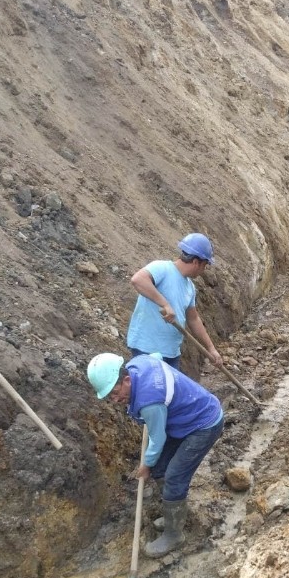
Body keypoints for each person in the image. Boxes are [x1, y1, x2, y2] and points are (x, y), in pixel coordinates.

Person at [87, 351, 224, 557]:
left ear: (126, 379)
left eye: (115, 393)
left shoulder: (149, 402)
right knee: (161, 467)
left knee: (174, 476)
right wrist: (153, 464)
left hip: (203, 424)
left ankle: (174, 535)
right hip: (182, 420)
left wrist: (146, 464)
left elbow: (157, 438)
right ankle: (173, 515)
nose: (115, 400)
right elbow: (157, 356)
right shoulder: (138, 364)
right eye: (109, 397)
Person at [126, 233, 223, 369]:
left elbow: (193, 319)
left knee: (170, 390)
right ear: (196, 262)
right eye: (204, 265)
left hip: (171, 353)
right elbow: (137, 280)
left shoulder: (190, 287)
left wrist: (211, 348)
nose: (203, 270)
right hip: (147, 350)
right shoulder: (162, 268)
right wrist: (165, 304)